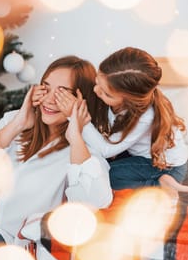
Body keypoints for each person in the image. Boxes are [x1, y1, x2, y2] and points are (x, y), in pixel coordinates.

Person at [0, 56, 112, 260]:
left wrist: (76, 135)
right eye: (46, 88)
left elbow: (96, 202)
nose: (49, 99)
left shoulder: (82, 153)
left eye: (63, 93)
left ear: (82, 101)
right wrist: (18, 123)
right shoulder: (15, 124)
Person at [54, 47, 188, 195]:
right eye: (97, 81)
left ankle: (159, 184)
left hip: (164, 165)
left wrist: (76, 117)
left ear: (129, 101)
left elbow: (106, 150)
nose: (96, 90)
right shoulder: (114, 91)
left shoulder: (144, 117)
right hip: (136, 152)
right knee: (97, 165)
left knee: (107, 177)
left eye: (106, 94)